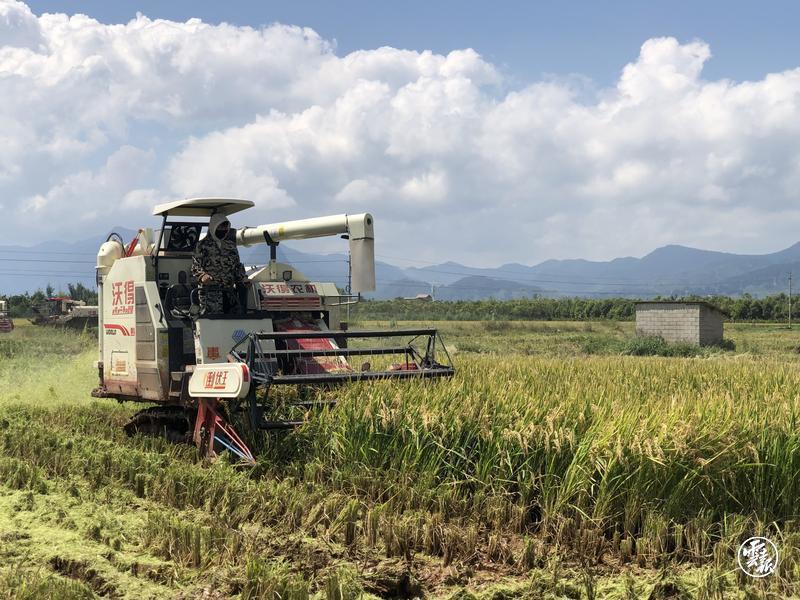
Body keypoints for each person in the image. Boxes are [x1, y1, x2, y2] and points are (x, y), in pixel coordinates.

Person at [191, 213, 250, 315]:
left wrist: (243, 278)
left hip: (229, 293)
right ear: (214, 226)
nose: (224, 230)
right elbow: (196, 265)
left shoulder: (231, 246)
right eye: (221, 226)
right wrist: (203, 276)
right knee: (212, 322)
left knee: (230, 322)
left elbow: (237, 266)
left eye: (226, 227)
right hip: (210, 294)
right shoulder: (202, 245)